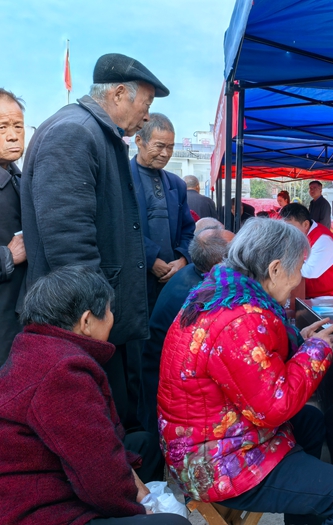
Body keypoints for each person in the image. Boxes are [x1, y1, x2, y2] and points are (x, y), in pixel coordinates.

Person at [157, 219, 333, 525]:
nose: (299, 278)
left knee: (310, 422)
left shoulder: (219, 291)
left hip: (207, 439)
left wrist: (301, 344)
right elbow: (274, 407)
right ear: (274, 269)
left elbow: (253, 371)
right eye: (298, 267)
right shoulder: (239, 319)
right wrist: (316, 351)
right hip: (215, 462)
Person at [21, 53, 169, 426]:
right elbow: (68, 240)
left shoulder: (95, 134)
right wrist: (95, 312)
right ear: (119, 93)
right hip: (81, 323)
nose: (147, 115)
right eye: (146, 104)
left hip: (96, 320)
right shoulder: (74, 132)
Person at [0, 266, 188, 525]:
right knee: (172, 523)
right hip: (33, 507)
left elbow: (98, 444)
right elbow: (96, 470)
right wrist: (141, 509)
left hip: (52, 474)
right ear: (86, 321)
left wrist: (139, 492)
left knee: (145, 443)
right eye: (110, 311)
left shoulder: (36, 346)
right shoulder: (62, 371)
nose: (112, 318)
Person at [138, 227, 234, 436]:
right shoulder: (201, 296)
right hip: (171, 407)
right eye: (238, 253)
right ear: (220, 264)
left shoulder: (193, 272)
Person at [132, 113, 195, 312]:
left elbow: (188, 230)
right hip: (134, 282)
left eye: (170, 147)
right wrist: (151, 260)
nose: (166, 154)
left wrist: (183, 259)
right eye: (159, 146)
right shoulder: (120, 178)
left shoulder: (177, 185)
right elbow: (118, 229)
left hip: (172, 281)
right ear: (139, 141)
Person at [0, 88, 26, 365]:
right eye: (2, 127)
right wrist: (7, 257)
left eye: (17, 126)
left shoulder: (20, 178)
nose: (12, 135)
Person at [280, 203, 333, 298]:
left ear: (305, 224)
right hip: (313, 293)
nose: (287, 231)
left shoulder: (323, 239)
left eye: (290, 227)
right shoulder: (300, 236)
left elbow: (309, 272)